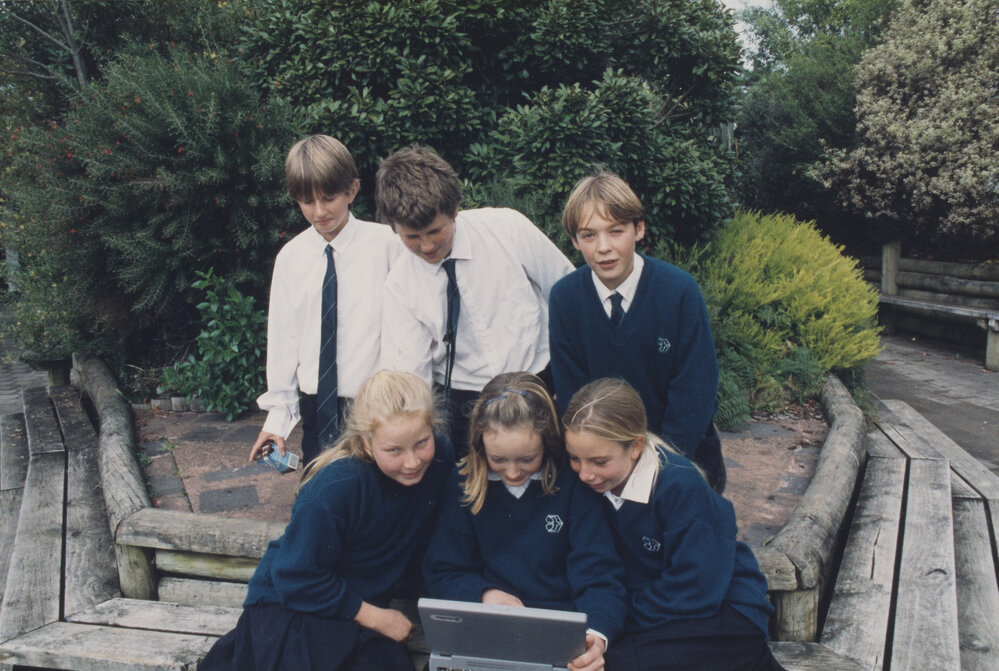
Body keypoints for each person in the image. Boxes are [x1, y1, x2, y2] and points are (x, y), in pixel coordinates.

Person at [200, 370, 452, 671]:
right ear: (366, 443)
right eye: (393, 450)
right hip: (296, 607)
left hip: (352, 605)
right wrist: (377, 618)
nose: (412, 461)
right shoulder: (337, 486)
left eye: (421, 443)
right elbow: (295, 576)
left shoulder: (440, 457)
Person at [562, 378, 785, 671]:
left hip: (724, 613)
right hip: (660, 616)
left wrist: (621, 620)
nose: (585, 474)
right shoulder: (590, 487)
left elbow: (696, 586)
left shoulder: (678, 485)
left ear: (635, 447)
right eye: (574, 459)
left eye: (599, 461)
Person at [376, 146, 574, 456]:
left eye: (435, 231)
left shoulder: (508, 229)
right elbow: (412, 378)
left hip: (541, 384)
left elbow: (568, 296)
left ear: (455, 210)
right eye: (412, 237)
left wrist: (572, 380)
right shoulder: (400, 285)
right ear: (394, 228)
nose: (426, 246)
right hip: (464, 404)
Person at [423, 371, 626, 671]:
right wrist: (484, 594)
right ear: (480, 445)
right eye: (498, 460)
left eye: (527, 459)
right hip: (486, 625)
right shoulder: (465, 482)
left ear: (547, 442)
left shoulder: (572, 484)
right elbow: (443, 570)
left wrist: (594, 637)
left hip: (558, 630)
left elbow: (600, 576)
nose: (513, 472)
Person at [548, 171, 726, 491]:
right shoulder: (565, 299)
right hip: (602, 466)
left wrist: (655, 470)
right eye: (589, 235)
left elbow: (694, 391)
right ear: (574, 241)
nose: (604, 247)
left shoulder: (679, 291)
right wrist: (607, 465)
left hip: (681, 459)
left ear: (639, 229)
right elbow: (573, 396)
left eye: (616, 231)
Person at [250, 135, 401, 466]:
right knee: (320, 483)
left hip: (377, 406)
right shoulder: (291, 258)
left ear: (352, 190)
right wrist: (277, 421)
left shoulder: (388, 246)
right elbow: (283, 341)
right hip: (317, 407)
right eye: (307, 201)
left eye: (329, 198)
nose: (319, 212)